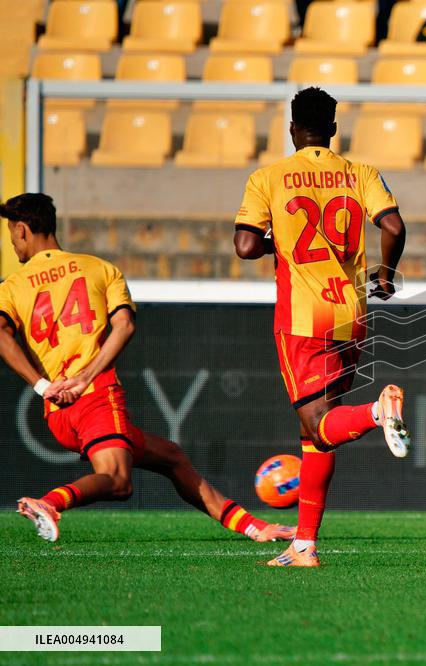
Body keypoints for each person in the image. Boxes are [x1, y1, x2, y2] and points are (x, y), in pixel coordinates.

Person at [0, 193, 295, 545]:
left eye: (9, 232)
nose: (12, 241)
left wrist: (41, 386)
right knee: (118, 479)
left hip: (56, 411)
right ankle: (49, 503)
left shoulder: (13, 286)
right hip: (94, 396)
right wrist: (86, 376)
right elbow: (124, 325)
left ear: (21, 230)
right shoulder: (99, 268)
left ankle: (253, 527)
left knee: (171, 457)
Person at [234, 87, 411, 568]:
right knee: (314, 436)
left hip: (302, 315)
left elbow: (246, 247)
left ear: (292, 129)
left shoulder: (269, 177)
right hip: (351, 313)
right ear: (333, 130)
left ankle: (377, 410)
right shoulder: (360, 173)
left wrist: (282, 242)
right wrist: (386, 277)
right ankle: (304, 546)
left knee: (318, 424)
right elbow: (393, 227)